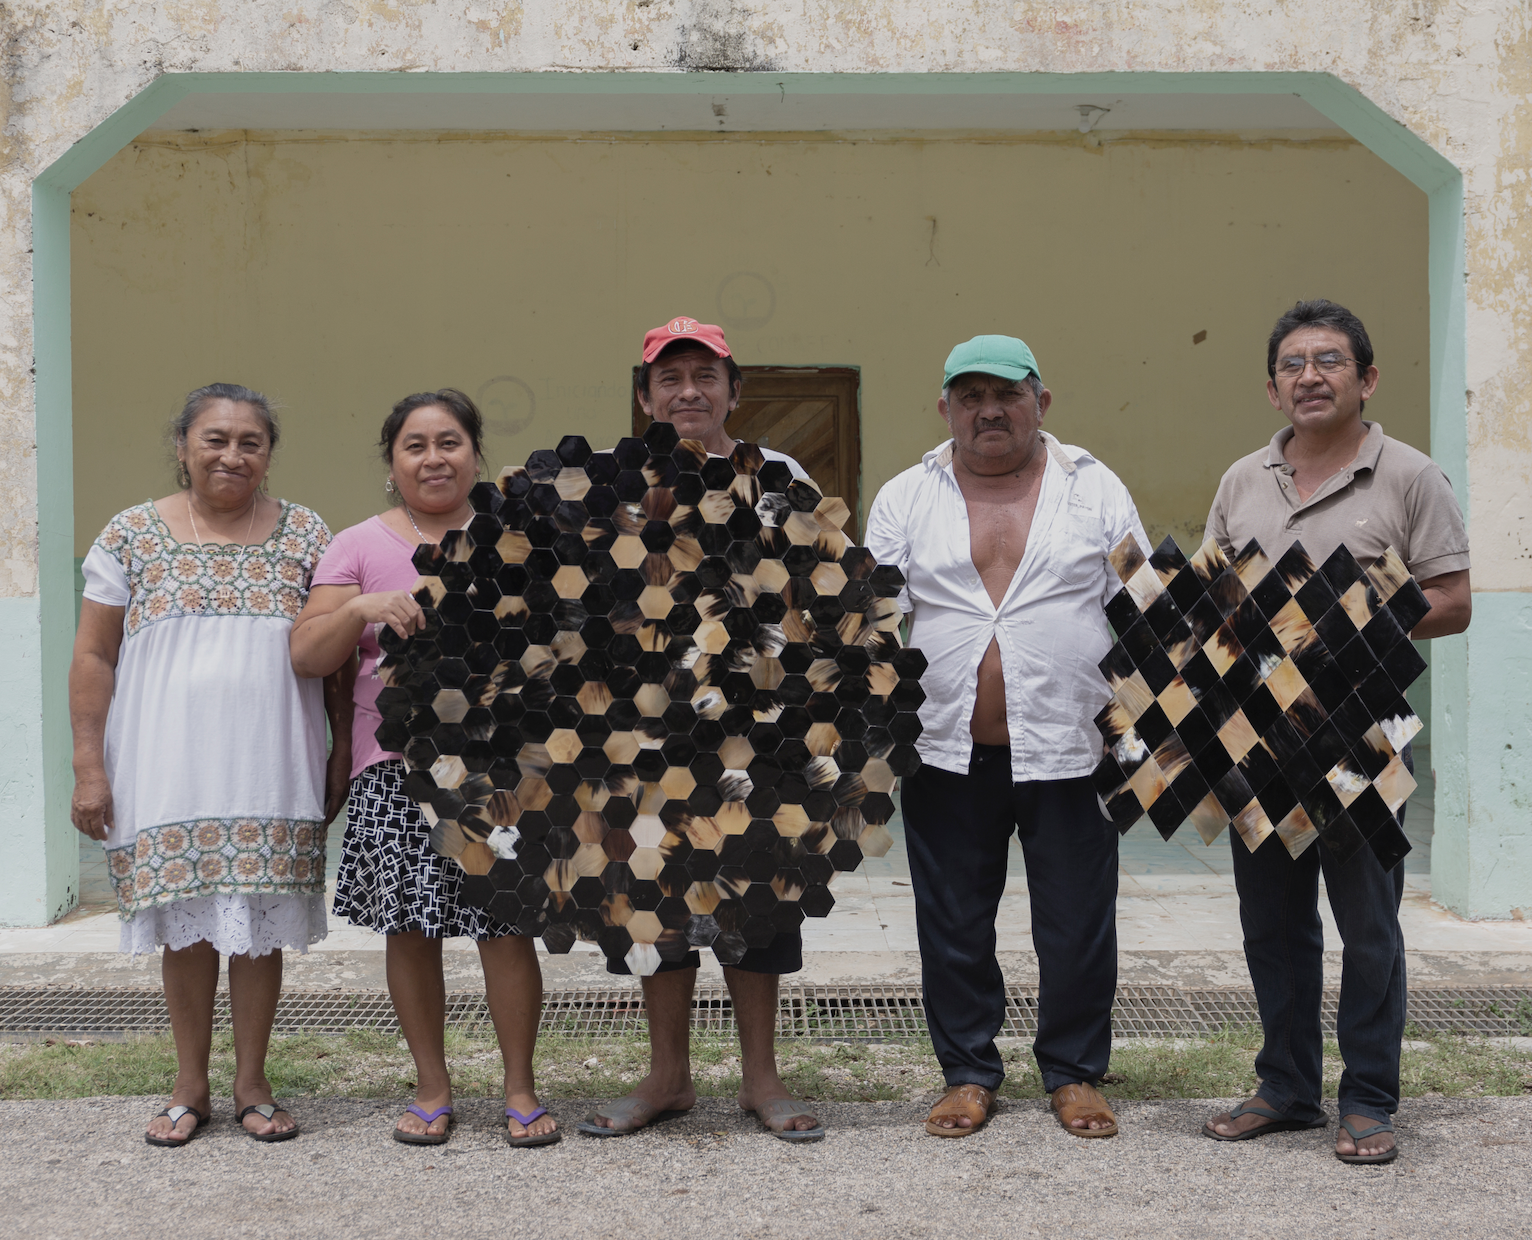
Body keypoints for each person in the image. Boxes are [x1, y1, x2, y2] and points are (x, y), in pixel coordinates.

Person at [1200, 300, 1470, 1165]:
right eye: (1292, 364)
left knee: (1369, 927)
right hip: (1261, 737)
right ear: (1272, 387)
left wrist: (1344, 629)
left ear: (1367, 378)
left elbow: (1455, 602)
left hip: (1362, 736)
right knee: (1272, 924)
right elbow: (1216, 601)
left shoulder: (1410, 476)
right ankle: (1286, 1087)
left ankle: (1368, 1101)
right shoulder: (1243, 479)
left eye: (1329, 361)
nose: (1309, 375)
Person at [864, 335, 1149, 1139]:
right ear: (946, 407)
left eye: (1008, 393)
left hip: (1072, 744)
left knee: (1077, 920)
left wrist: (1145, 739)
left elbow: (1141, 610)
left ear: (1041, 402)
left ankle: (1076, 1073)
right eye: (971, 395)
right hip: (946, 747)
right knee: (952, 919)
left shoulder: (1093, 488)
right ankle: (966, 1073)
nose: (990, 409)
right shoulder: (905, 496)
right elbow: (873, 622)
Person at [70, 382, 349, 1146]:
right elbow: (94, 655)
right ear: (184, 446)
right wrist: (88, 766)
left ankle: (252, 1083)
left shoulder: (306, 534)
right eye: (215, 439)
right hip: (167, 763)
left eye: (250, 441)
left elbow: (335, 662)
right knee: (186, 928)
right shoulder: (130, 533)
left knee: (256, 925)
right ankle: (189, 1084)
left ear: (268, 453)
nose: (232, 454)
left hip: (271, 762)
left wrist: (341, 751)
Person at [289, 389, 559, 1148]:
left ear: (474, 452)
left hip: (504, 771)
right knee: (410, 930)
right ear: (391, 461)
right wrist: (360, 609)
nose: (434, 458)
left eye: (449, 442)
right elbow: (308, 655)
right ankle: (432, 1087)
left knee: (504, 930)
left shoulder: (521, 536)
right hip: (397, 769)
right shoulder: (357, 545)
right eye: (415, 445)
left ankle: (520, 1088)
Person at [578, 316, 821, 1141]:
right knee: (656, 900)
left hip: (756, 729)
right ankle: (668, 1078)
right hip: (644, 733)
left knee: (755, 901)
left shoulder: (780, 474)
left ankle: (761, 1080)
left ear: (734, 390)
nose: (689, 392)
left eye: (705, 376)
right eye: (670, 378)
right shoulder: (611, 484)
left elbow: (811, 594)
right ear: (645, 395)